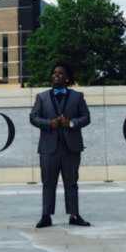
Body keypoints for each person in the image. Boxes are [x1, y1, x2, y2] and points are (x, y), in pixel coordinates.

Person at [29, 62, 91, 228]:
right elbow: (33, 118)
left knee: (71, 182)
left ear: (67, 78)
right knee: (48, 183)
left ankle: (74, 215)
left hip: (71, 148)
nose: (56, 75)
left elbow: (86, 117)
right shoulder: (41, 97)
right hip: (48, 148)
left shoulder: (77, 97)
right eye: (54, 73)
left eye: (61, 73)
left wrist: (70, 123)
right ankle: (46, 216)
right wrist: (50, 123)